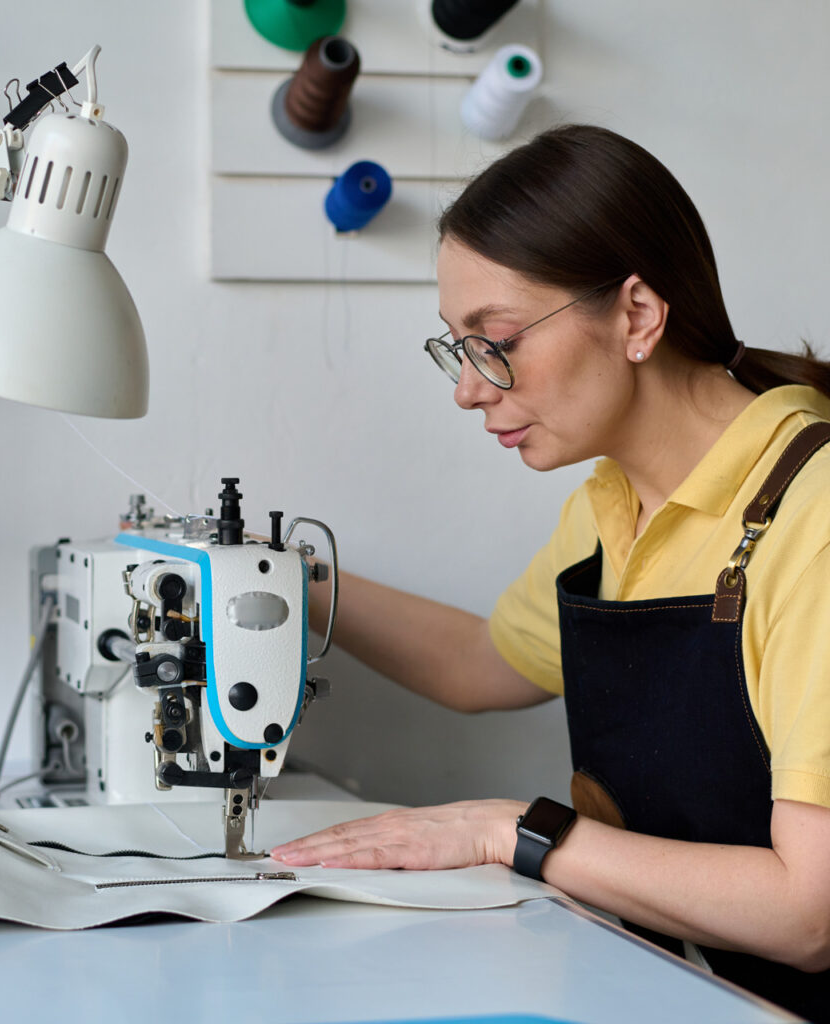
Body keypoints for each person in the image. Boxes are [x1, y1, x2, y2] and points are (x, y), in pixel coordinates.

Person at [269, 124, 830, 1021]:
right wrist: (283, 581)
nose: (469, 388)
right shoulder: (611, 504)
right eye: (458, 348)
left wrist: (509, 833)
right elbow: (484, 663)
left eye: (497, 341)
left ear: (638, 316)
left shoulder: (814, 516)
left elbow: (812, 912)